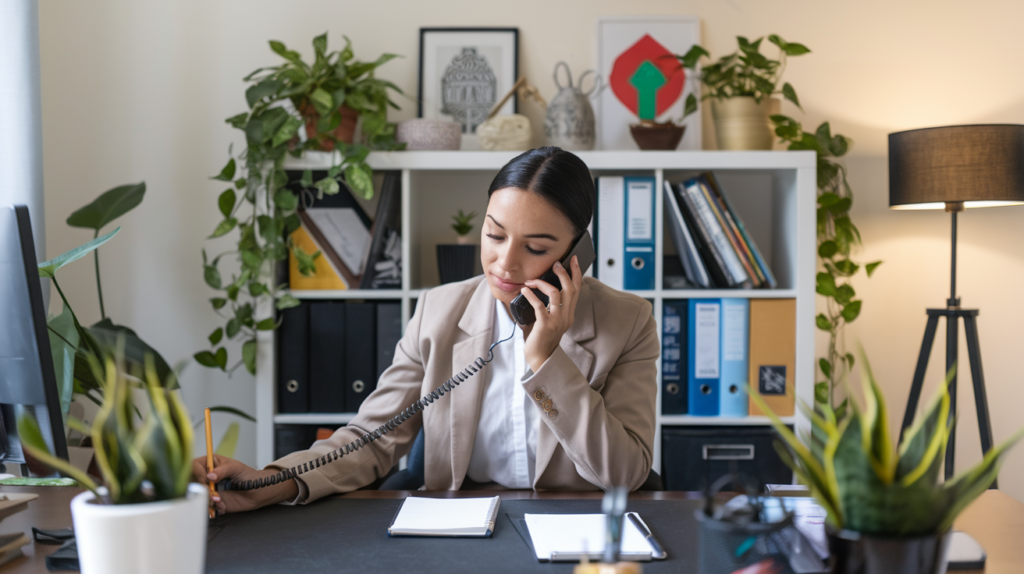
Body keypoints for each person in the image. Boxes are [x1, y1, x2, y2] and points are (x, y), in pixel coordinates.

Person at [194, 147, 659, 514]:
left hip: (576, 534)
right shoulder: (439, 312)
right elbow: (371, 438)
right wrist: (268, 483)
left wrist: (546, 359)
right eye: (494, 236)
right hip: (459, 524)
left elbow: (626, 473)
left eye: (535, 247)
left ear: (575, 255)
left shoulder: (628, 321)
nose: (505, 263)